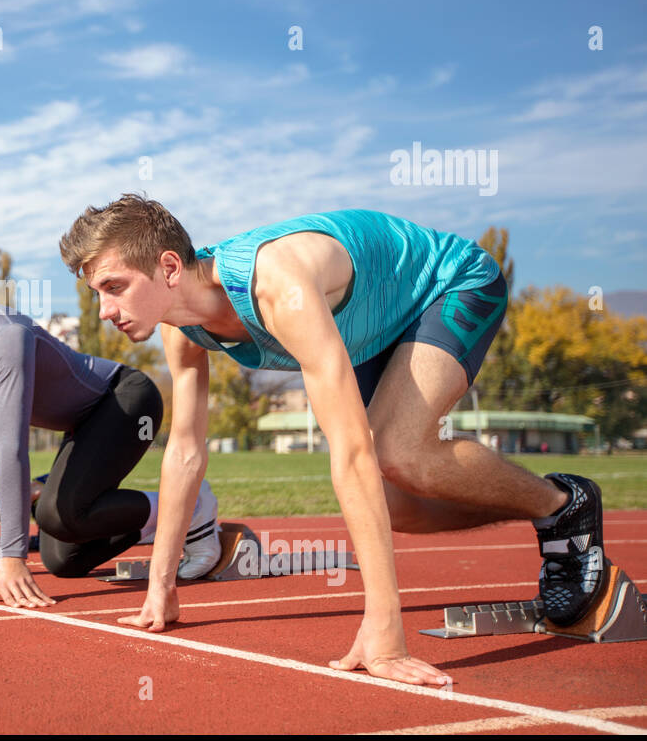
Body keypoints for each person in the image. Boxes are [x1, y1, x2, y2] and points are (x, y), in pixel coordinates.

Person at [59, 196, 609, 686]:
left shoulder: (277, 288)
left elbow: (350, 451)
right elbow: (185, 450)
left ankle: (564, 506)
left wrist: (385, 632)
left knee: (397, 451)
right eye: (97, 292)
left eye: (114, 287)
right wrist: (162, 587)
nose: (105, 310)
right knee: (396, 507)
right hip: (370, 330)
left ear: (169, 267)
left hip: (444, 284)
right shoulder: (183, 330)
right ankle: (544, 506)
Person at [0, 233, 222, 606]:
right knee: (63, 561)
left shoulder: (5, 335)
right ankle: (152, 521)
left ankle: (193, 505)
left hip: (124, 400)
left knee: (60, 512)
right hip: (80, 425)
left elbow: (10, 448)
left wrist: (11, 557)